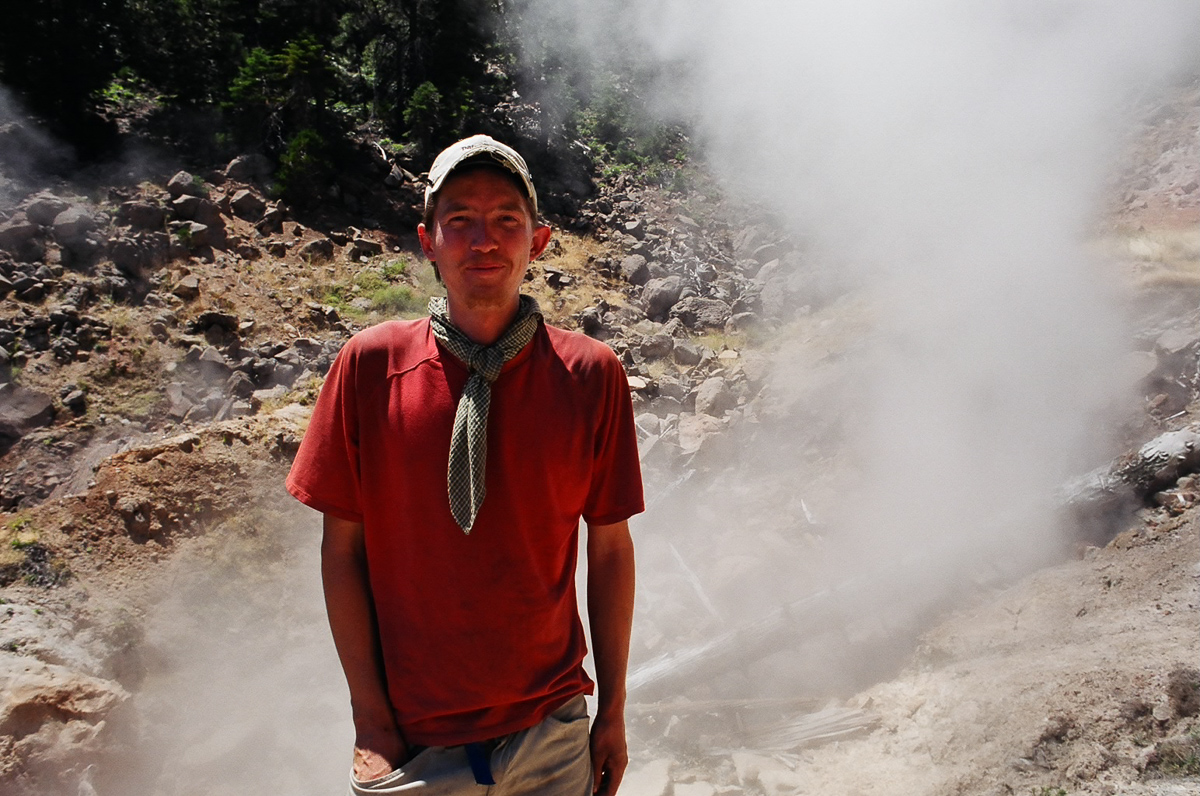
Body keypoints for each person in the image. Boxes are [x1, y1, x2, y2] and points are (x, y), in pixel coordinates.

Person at [287, 134, 644, 796]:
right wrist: (371, 722)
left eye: (507, 219)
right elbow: (342, 551)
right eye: (460, 220)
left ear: (538, 241)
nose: (484, 241)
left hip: (552, 732)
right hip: (417, 744)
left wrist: (613, 712)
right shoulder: (370, 367)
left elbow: (611, 548)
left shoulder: (590, 375)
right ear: (428, 241)